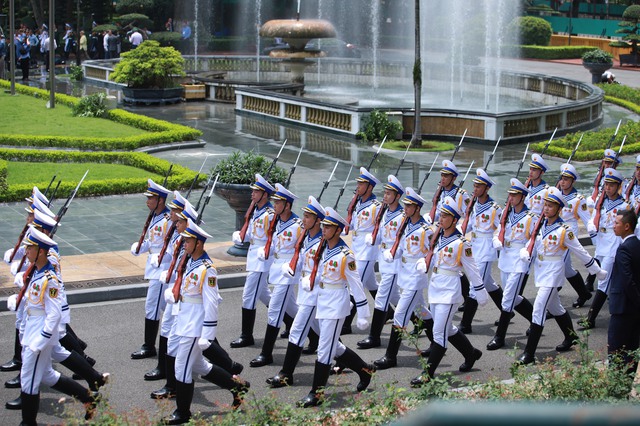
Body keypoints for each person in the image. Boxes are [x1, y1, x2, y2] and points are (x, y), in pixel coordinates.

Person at [161, 219, 250, 424]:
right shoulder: (190, 262)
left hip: (194, 326)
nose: (184, 244)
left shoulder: (207, 269)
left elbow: (211, 304)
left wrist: (207, 335)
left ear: (198, 243)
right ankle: (237, 387)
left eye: (188, 241)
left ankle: (182, 413)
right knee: (199, 365)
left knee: (181, 367)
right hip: (184, 320)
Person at [7, 228, 99, 424]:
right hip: (32, 330)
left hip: (39, 335)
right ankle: (87, 398)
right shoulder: (35, 271)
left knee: (28, 379)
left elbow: (54, 314)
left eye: (30, 248)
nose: (26, 251)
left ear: (41, 251)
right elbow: (34, 303)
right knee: (47, 376)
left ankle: (28, 422)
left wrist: (41, 340)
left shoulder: (50, 279)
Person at [516, 187, 608, 365]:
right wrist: (525, 251)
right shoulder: (541, 224)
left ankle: (529, 353)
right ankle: (570, 336)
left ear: (559, 209)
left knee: (538, 309)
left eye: (551, 206)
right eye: (545, 205)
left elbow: (580, 251)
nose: (546, 208)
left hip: (553, 273)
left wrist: (596, 270)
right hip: (541, 271)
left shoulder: (564, 230)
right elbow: (532, 242)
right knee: (556, 307)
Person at [298, 207, 374, 408]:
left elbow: (356, 285)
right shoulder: (323, 247)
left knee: (324, 350)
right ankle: (365, 370)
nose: (323, 229)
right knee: (335, 346)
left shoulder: (345, 255)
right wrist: (310, 280)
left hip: (336, 304)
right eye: (323, 226)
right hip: (323, 301)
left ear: (338, 230)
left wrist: (363, 313)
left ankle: (316, 393)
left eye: (328, 227)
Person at [410, 196, 487, 387]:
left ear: (454, 220)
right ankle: (471, 353)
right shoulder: (438, 238)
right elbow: (433, 259)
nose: (441, 219)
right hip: (436, 288)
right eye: (441, 215)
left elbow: (472, 269)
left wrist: (480, 291)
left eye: (445, 216)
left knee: (439, 333)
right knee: (447, 328)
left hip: (450, 291)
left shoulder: (461, 243)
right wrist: (423, 263)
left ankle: (428, 373)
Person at [266, 196, 324, 388]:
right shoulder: (307, 237)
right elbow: (301, 259)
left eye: (308, 217)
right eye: (304, 215)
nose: (303, 219)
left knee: (297, 330)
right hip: (305, 290)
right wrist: (292, 268)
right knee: (325, 334)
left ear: (318, 221)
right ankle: (361, 368)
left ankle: (285, 373)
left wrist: (361, 306)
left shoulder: (322, 242)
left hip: (316, 292)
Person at [374, 187, 433, 370]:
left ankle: (390, 356)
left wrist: (426, 263)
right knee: (422, 311)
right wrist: (393, 254)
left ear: (417, 208)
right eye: (405, 205)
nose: (405, 208)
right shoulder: (406, 225)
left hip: (416, 276)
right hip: (405, 273)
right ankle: (454, 347)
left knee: (400, 314)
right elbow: (403, 247)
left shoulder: (425, 230)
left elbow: (433, 252)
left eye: (409, 206)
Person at [250, 183, 302, 367]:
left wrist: (295, 267)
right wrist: (268, 250)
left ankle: (266, 354)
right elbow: (276, 243)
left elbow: (303, 251)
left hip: (288, 273)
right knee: (295, 311)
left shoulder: (297, 225)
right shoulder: (278, 221)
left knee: (274, 311)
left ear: (287, 205)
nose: (274, 205)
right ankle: (315, 337)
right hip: (277, 269)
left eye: (278, 202)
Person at [488, 178, 536, 350]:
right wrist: (496, 238)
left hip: (519, 259)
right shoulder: (506, 213)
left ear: (522, 197)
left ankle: (499, 337)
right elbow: (498, 229)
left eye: (514, 195)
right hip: (506, 257)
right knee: (513, 297)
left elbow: (534, 239)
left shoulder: (531, 217)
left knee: (507, 298)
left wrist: (528, 253)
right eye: (510, 195)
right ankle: (536, 320)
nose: (511, 198)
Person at [581, 168, 631, 330]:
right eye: (606, 185)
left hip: (614, 243)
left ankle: (591, 318)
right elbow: (594, 220)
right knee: (608, 279)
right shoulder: (600, 202)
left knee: (604, 282)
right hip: (601, 243)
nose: (608, 188)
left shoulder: (624, 206)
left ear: (618, 186)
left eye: (611, 185)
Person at [358, 175, 404, 349]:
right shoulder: (385, 212)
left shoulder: (402, 216)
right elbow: (383, 236)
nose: (385, 196)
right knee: (399, 299)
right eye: (384, 193)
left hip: (394, 262)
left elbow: (402, 242)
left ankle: (374, 337)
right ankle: (424, 322)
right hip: (384, 260)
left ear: (397, 196)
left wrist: (394, 253)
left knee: (381, 299)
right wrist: (374, 239)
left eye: (389, 193)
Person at [230, 174, 274, 348]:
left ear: (265, 194)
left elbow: (274, 238)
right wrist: (242, 236)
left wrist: (267, 251)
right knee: (264, 294)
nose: (252, 194)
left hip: (262, 259)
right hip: (254, 255)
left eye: (256, 191)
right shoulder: (257, 210)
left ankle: (246, 335)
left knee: (248, 295)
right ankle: (289, 320)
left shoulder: (270, 214)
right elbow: (253, 233)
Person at [130, 179, 173, 360]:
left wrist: (163, 257)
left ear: (160, 200)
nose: (147, 201)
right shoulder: (155, 216)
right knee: (164, 307)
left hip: (162, 268)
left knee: (152, 306)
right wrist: (142, 247)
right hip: (155, 266)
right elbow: (155, 241)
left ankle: (149, 346)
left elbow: (173, 245)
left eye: (150, 198)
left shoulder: (168, 219)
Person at [459, 168, 504, 334]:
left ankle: (465, 324)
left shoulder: (494, 208)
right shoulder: (475, 204)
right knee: (489, 283)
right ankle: (507, 309)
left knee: (475, 285)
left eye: (479, 186)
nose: (475, 189)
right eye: (475, 186)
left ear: (487, 188)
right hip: (475, 247)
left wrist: (498, 240)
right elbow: (471, 225)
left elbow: (502, 227)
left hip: (486, 249)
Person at [343, 167, 381, 335]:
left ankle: (345, 323)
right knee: (372, 284)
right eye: (358, 183)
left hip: (367, 251)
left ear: (370, 187)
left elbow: (381, 229)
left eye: (361, 184)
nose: (358, 186)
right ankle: (390, 312)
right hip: (357, 248)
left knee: (355, 285)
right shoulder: (358, 203)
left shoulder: (376, 206)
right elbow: (353, 225)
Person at [557, 163, 593, 308]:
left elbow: (587, 219)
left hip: (569, 233)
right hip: (555, 231)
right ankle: (584, 293)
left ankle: (551, 303)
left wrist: (595, 234)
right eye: (561, 178)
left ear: (573, 181)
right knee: (567, 269)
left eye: (566, 179)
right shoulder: (556, 193)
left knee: (557, 265)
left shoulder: (578, 199)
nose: (563, 182)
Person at [608, 209, 640, 373]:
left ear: (627, 226)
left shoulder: (624, 248)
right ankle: (627, 381)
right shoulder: (637, 245)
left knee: (616, 351)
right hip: (634, 309)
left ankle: (617, 385)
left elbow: (627, 280)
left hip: (623, 308)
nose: (613, 226)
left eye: (616, 223)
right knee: (632, 350)